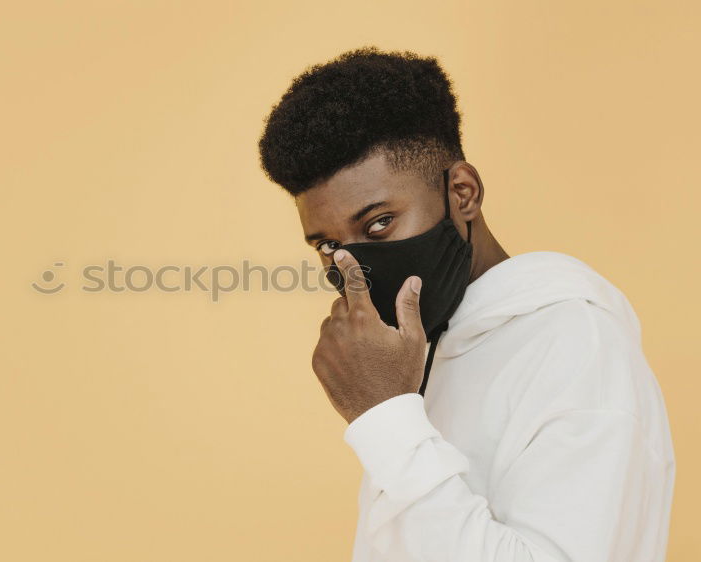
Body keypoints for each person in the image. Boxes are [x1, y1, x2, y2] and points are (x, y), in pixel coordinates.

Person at [257, 45, 675, 561]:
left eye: (379, 223)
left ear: (463, 192)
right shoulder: (423, 352)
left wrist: (385, 418)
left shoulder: (573, 344)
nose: (352, 267)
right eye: (328, 246)